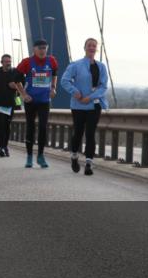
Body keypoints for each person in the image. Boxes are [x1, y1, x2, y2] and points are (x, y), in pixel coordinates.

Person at [60, 38, 109, 176]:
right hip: (78, 105)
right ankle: (74, 156)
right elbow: (64, 81)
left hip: (94, 104)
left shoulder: (101, 66)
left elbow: (103, 86)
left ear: (96, 49)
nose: (92, 48)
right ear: (85, 47)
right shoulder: (75, 65)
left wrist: (91, 97)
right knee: (78, 133)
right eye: (89, 45)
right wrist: (75, 92)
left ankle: (88, 163)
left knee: (90, 134)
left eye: (94, 46)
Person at [16, 40, 59, 167]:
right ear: (34, 49)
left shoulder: (51, 61)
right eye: (40, 48)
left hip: (45, 101)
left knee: (43, 128)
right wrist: (24, 95)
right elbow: (16, 79)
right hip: (31, 101)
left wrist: (53, 87)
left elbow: (55, 74)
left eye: (44, 48)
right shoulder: (27, 62)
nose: (42, 51)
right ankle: (29, 157)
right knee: (30, 127)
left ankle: (40, 156)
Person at [0, 55, 23, 160]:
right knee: (1, 124)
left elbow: (24, 84)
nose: (8, 63)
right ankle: (1, 147)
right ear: (2, 62)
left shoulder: (15, 72)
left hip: (10, 104)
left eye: (9, 61)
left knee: (7, 125)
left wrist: (16, 86)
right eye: (6, 61)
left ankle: (5, 147)